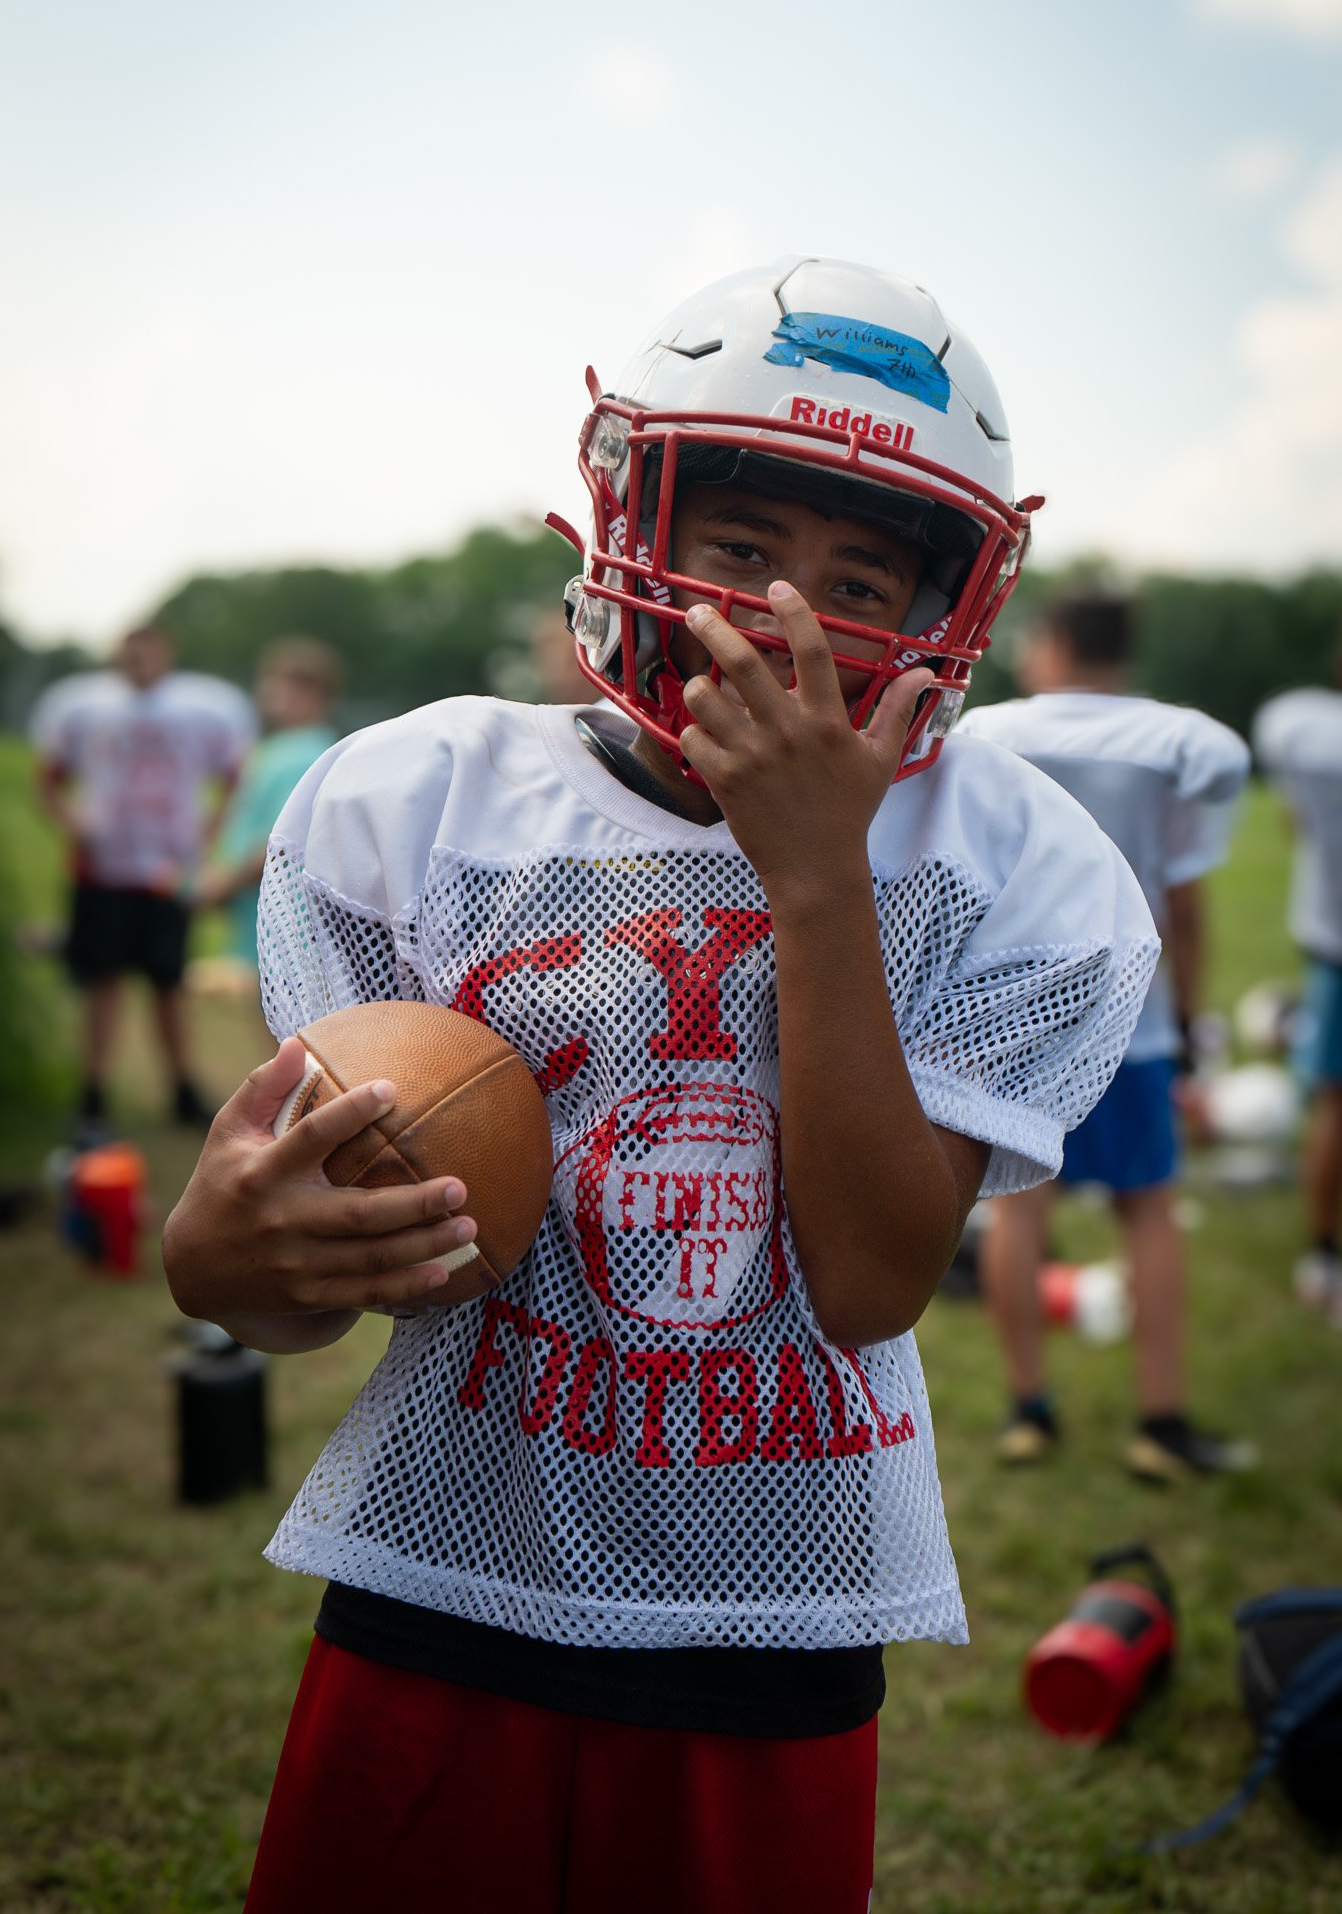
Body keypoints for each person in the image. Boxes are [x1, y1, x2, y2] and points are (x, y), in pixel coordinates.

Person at [162, 258, 1159, 1914]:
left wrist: (821, 881)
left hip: (773, 1612)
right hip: (449, 1566)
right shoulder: (426, 802)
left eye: (857, 573)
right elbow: (305, 1279)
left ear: (947, 610)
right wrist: (219, 1260)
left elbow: (865, 1282)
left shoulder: (1005, 866)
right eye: (746, 552)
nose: (789, 618)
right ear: (639, 530)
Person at [958, 592, 1253, 1481]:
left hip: (1020, 1017)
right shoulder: (1177, 741)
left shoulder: (991, 732)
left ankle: (1027, 1412)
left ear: (1049, 645)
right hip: (1134, 1017)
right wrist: (1191, 1028)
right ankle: (1157, 1424)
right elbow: (1186, 908)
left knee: (1019, 1213)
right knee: (1149, 1213)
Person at [30, 624, 253, 1127]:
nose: (138, 664)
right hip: (103, 870)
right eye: (129, 655)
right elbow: (47, 779)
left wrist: (209, 833)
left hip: (166, 871)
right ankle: (93, 1092)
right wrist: (73, 825)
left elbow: (235, 777)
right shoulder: (83, 709)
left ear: (166, 654)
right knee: (102, 982)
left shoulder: (201, 712)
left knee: (167, 981)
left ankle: (181, 1086)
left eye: (147, 653)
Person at [1253, 642, 1342, 1323]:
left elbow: (1293, 818)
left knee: (1330, 1104)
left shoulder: (1303, 729)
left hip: (1329, 941)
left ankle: (1321, 1253)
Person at [195, 638, 344, 970]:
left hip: (288, 916)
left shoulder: (307, 752)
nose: (268, 692)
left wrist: (222, 885)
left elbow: (281, 840)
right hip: (261, 907)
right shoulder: (280, 747)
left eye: (283, 684)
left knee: (282, 1018)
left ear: (313, 694)